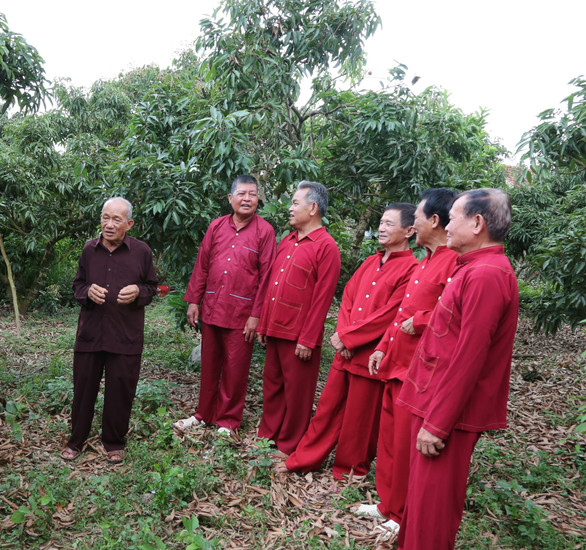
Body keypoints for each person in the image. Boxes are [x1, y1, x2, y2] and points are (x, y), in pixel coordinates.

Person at [383, 189, 519, 550]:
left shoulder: (487, 275)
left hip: (449, 408)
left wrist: (438, 423)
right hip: (431, 394)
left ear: (478, 224)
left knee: (436, 495)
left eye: (456, 217)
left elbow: (469, 358)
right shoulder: (470, 266)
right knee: (420, 488)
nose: (448, 223)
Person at [279, 204, 419, 478]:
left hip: (370, 356)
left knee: (359, 419)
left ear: (409, 230)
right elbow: (348, 298)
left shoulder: (411, 269)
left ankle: (349, 472)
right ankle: (303, 460)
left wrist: (348, 337)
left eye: (389, 224)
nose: (381, 227)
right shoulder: (370, 262)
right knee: (326, 411)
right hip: (345, 352)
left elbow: (390, 315)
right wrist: (342, 334)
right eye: (380, 222)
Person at [355, 189, 458, 535]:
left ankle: (402, 515)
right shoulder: (425, 259)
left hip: (421, 371)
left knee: (405, 446)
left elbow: (451, 315)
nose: (412, 222)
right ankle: (388, 504)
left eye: (416, 216)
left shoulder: (453, 261)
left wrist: (421, 322)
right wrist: (383, 347)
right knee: (389, 441)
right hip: (396, 363)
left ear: (433, 220)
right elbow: (403, 312)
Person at [177, 175, 276, 435]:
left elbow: (267, 277)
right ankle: (203, 414)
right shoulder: (216, 226)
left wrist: (256, 316)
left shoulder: (265, 231)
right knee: (210, 365)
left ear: (258, 200)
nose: (247, 199)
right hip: (211, 307)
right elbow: (202, 265)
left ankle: (228, 421)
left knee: (235, 369)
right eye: (242, 194)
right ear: (230, 198)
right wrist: (193, 301)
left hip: (242, 315)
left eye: (252, 194)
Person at [61, 197, 157, 463]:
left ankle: (114, 441)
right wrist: (87, 291)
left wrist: (138, 291)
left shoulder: (141, 252)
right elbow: (77, 284)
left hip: (125, 335)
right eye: (105, 217)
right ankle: (76, 440)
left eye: (116, 219)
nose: (109, 224)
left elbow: (152, 287)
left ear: (129, 224)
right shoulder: (89, 250)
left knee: (121, 388)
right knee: (83, 389)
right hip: (91, 333)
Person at [256, 181, 341, 453]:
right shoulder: (288, 240)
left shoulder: (326, 247)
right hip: (275, 328)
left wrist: (308, 339)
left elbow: (322, 299)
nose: (289, 209)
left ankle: (289, 444)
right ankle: (267, 435)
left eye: (295, 203)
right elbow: (272, 285)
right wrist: (263, 322)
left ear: (313, 208)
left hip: (299, 335)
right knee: (272, 386)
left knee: (298, 394)